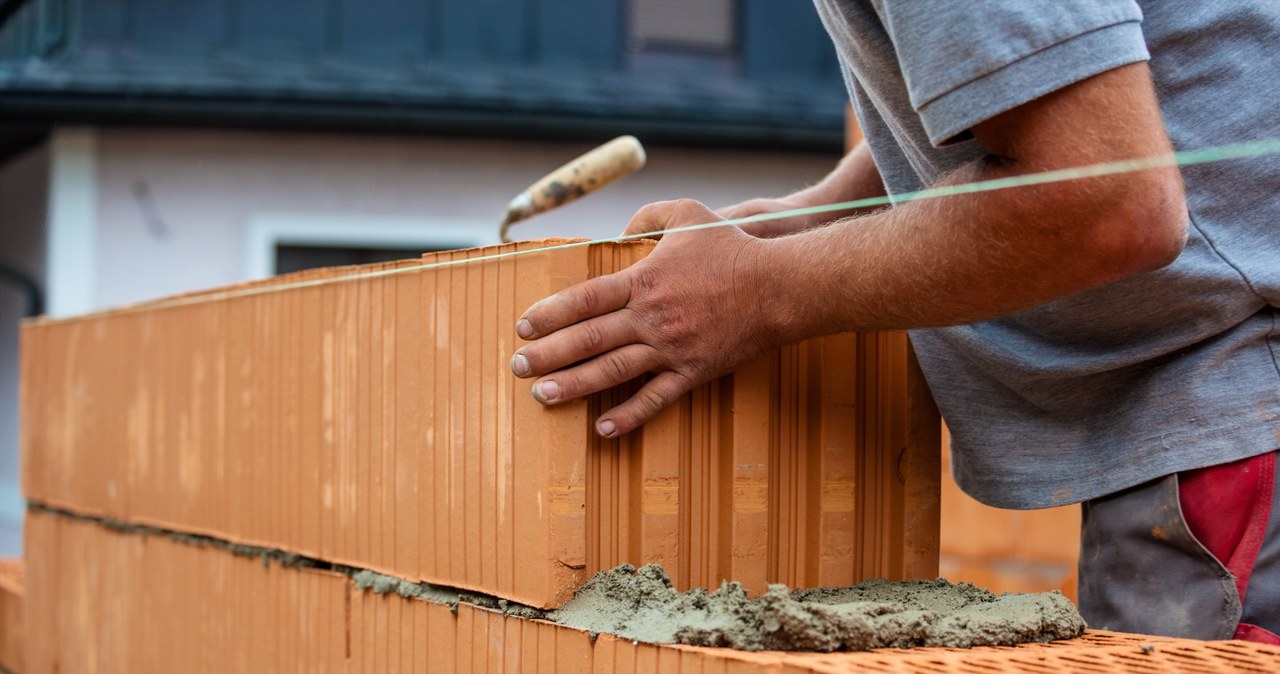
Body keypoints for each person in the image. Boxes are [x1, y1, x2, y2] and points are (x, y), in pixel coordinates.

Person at [507, 0, 1280, 642]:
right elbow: (1021, 82)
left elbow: (1112, 204)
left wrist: (760, 292)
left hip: (1241, 385)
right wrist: (810, 219)